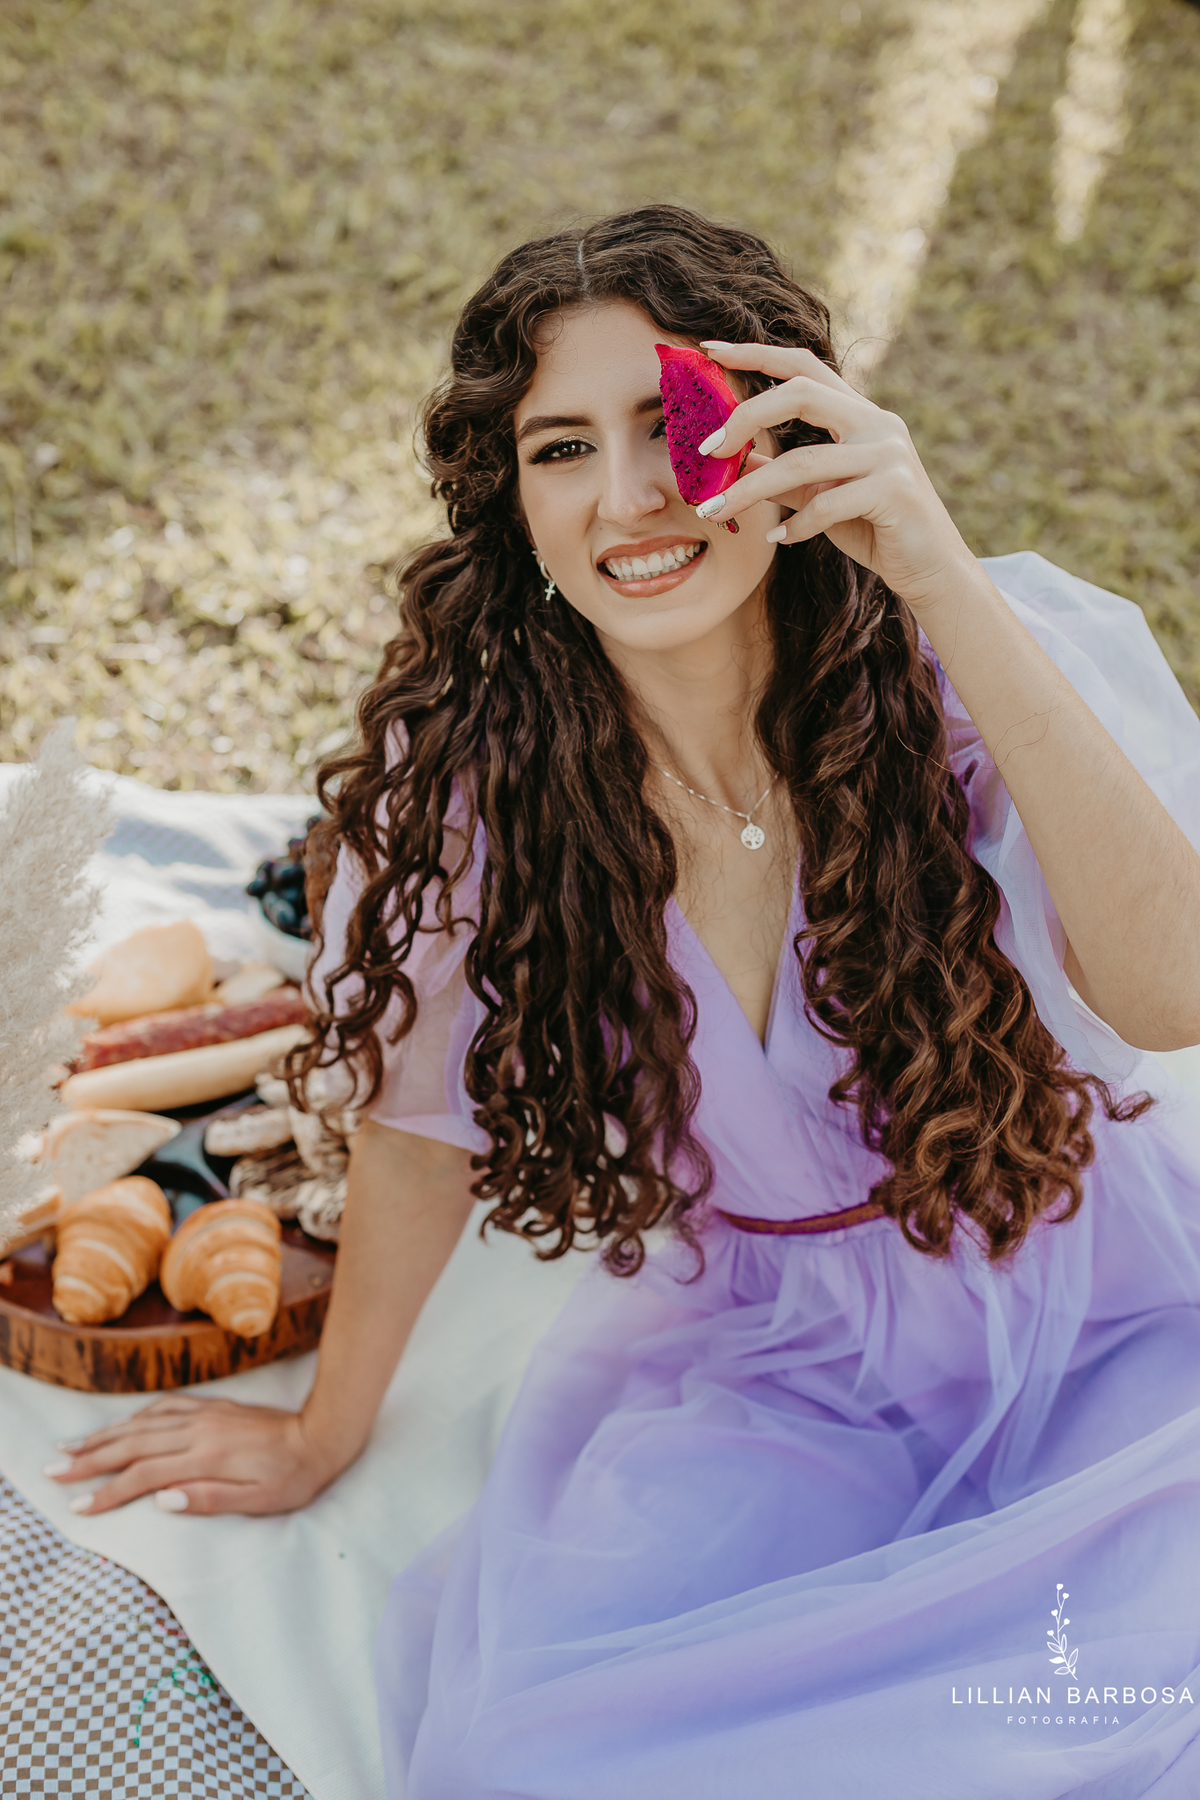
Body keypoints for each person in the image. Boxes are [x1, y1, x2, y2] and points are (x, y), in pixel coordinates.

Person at [52, 207, 1200, 1797]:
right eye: (561, 449)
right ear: (508, 501)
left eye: (675, 430)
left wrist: (932, 566)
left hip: (1112, 1323)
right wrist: (327, 1431)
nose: (630, 498)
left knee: (1115, 1726)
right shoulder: (476, 796)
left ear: (783, 435)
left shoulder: (973, 668)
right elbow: (415, 1127)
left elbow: (1171, 989)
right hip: (779, 1366)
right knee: (545, 1753)